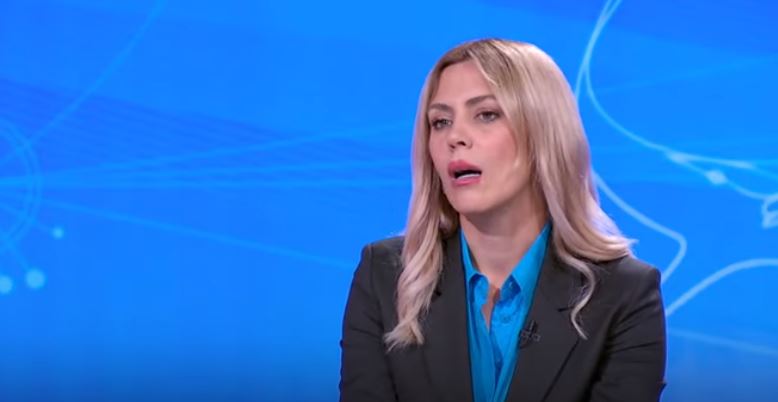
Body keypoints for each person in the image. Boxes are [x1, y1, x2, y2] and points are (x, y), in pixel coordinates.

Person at [339, 38, 666, 402]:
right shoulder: (385, 276)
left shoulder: (624, 293)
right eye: (441, 121)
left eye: (486, 114)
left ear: (544, 132)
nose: (455, 137)